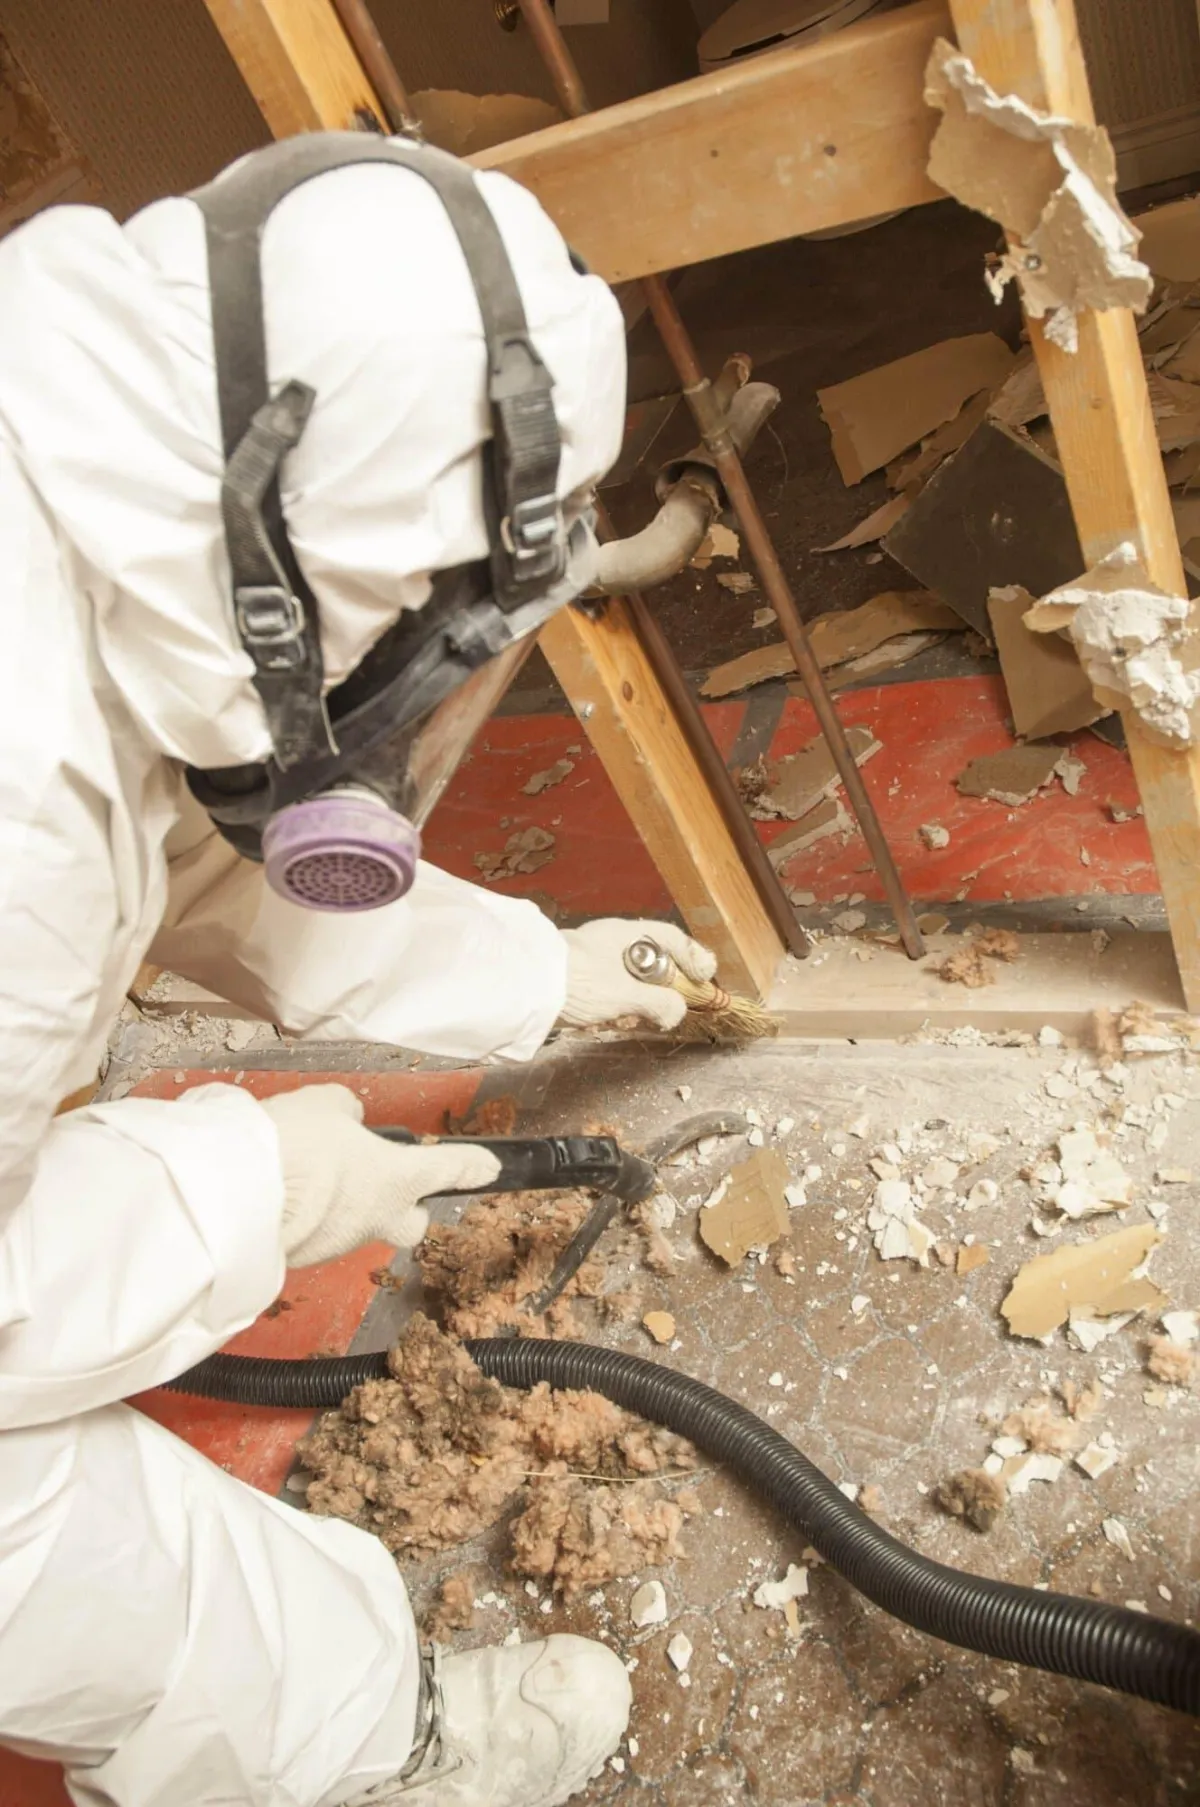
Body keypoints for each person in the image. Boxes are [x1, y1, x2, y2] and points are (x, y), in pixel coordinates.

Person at [0, 134, 717, 1807]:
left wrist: (536, 972)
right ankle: (376, 1752)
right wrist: (250, 1178)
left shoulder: (95, 480)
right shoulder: (12, 790)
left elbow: (185, 849)